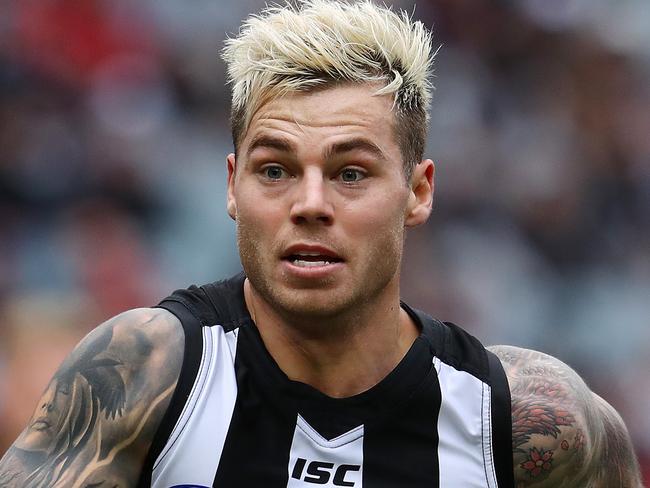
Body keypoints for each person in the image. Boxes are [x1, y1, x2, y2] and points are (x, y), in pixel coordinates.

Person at [0, 1, 643, 486]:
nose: (309, 205)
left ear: (418, 192)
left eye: (350, 173)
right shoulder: (143, 377)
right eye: (275, 169)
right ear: (232, 186)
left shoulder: (530, 422)